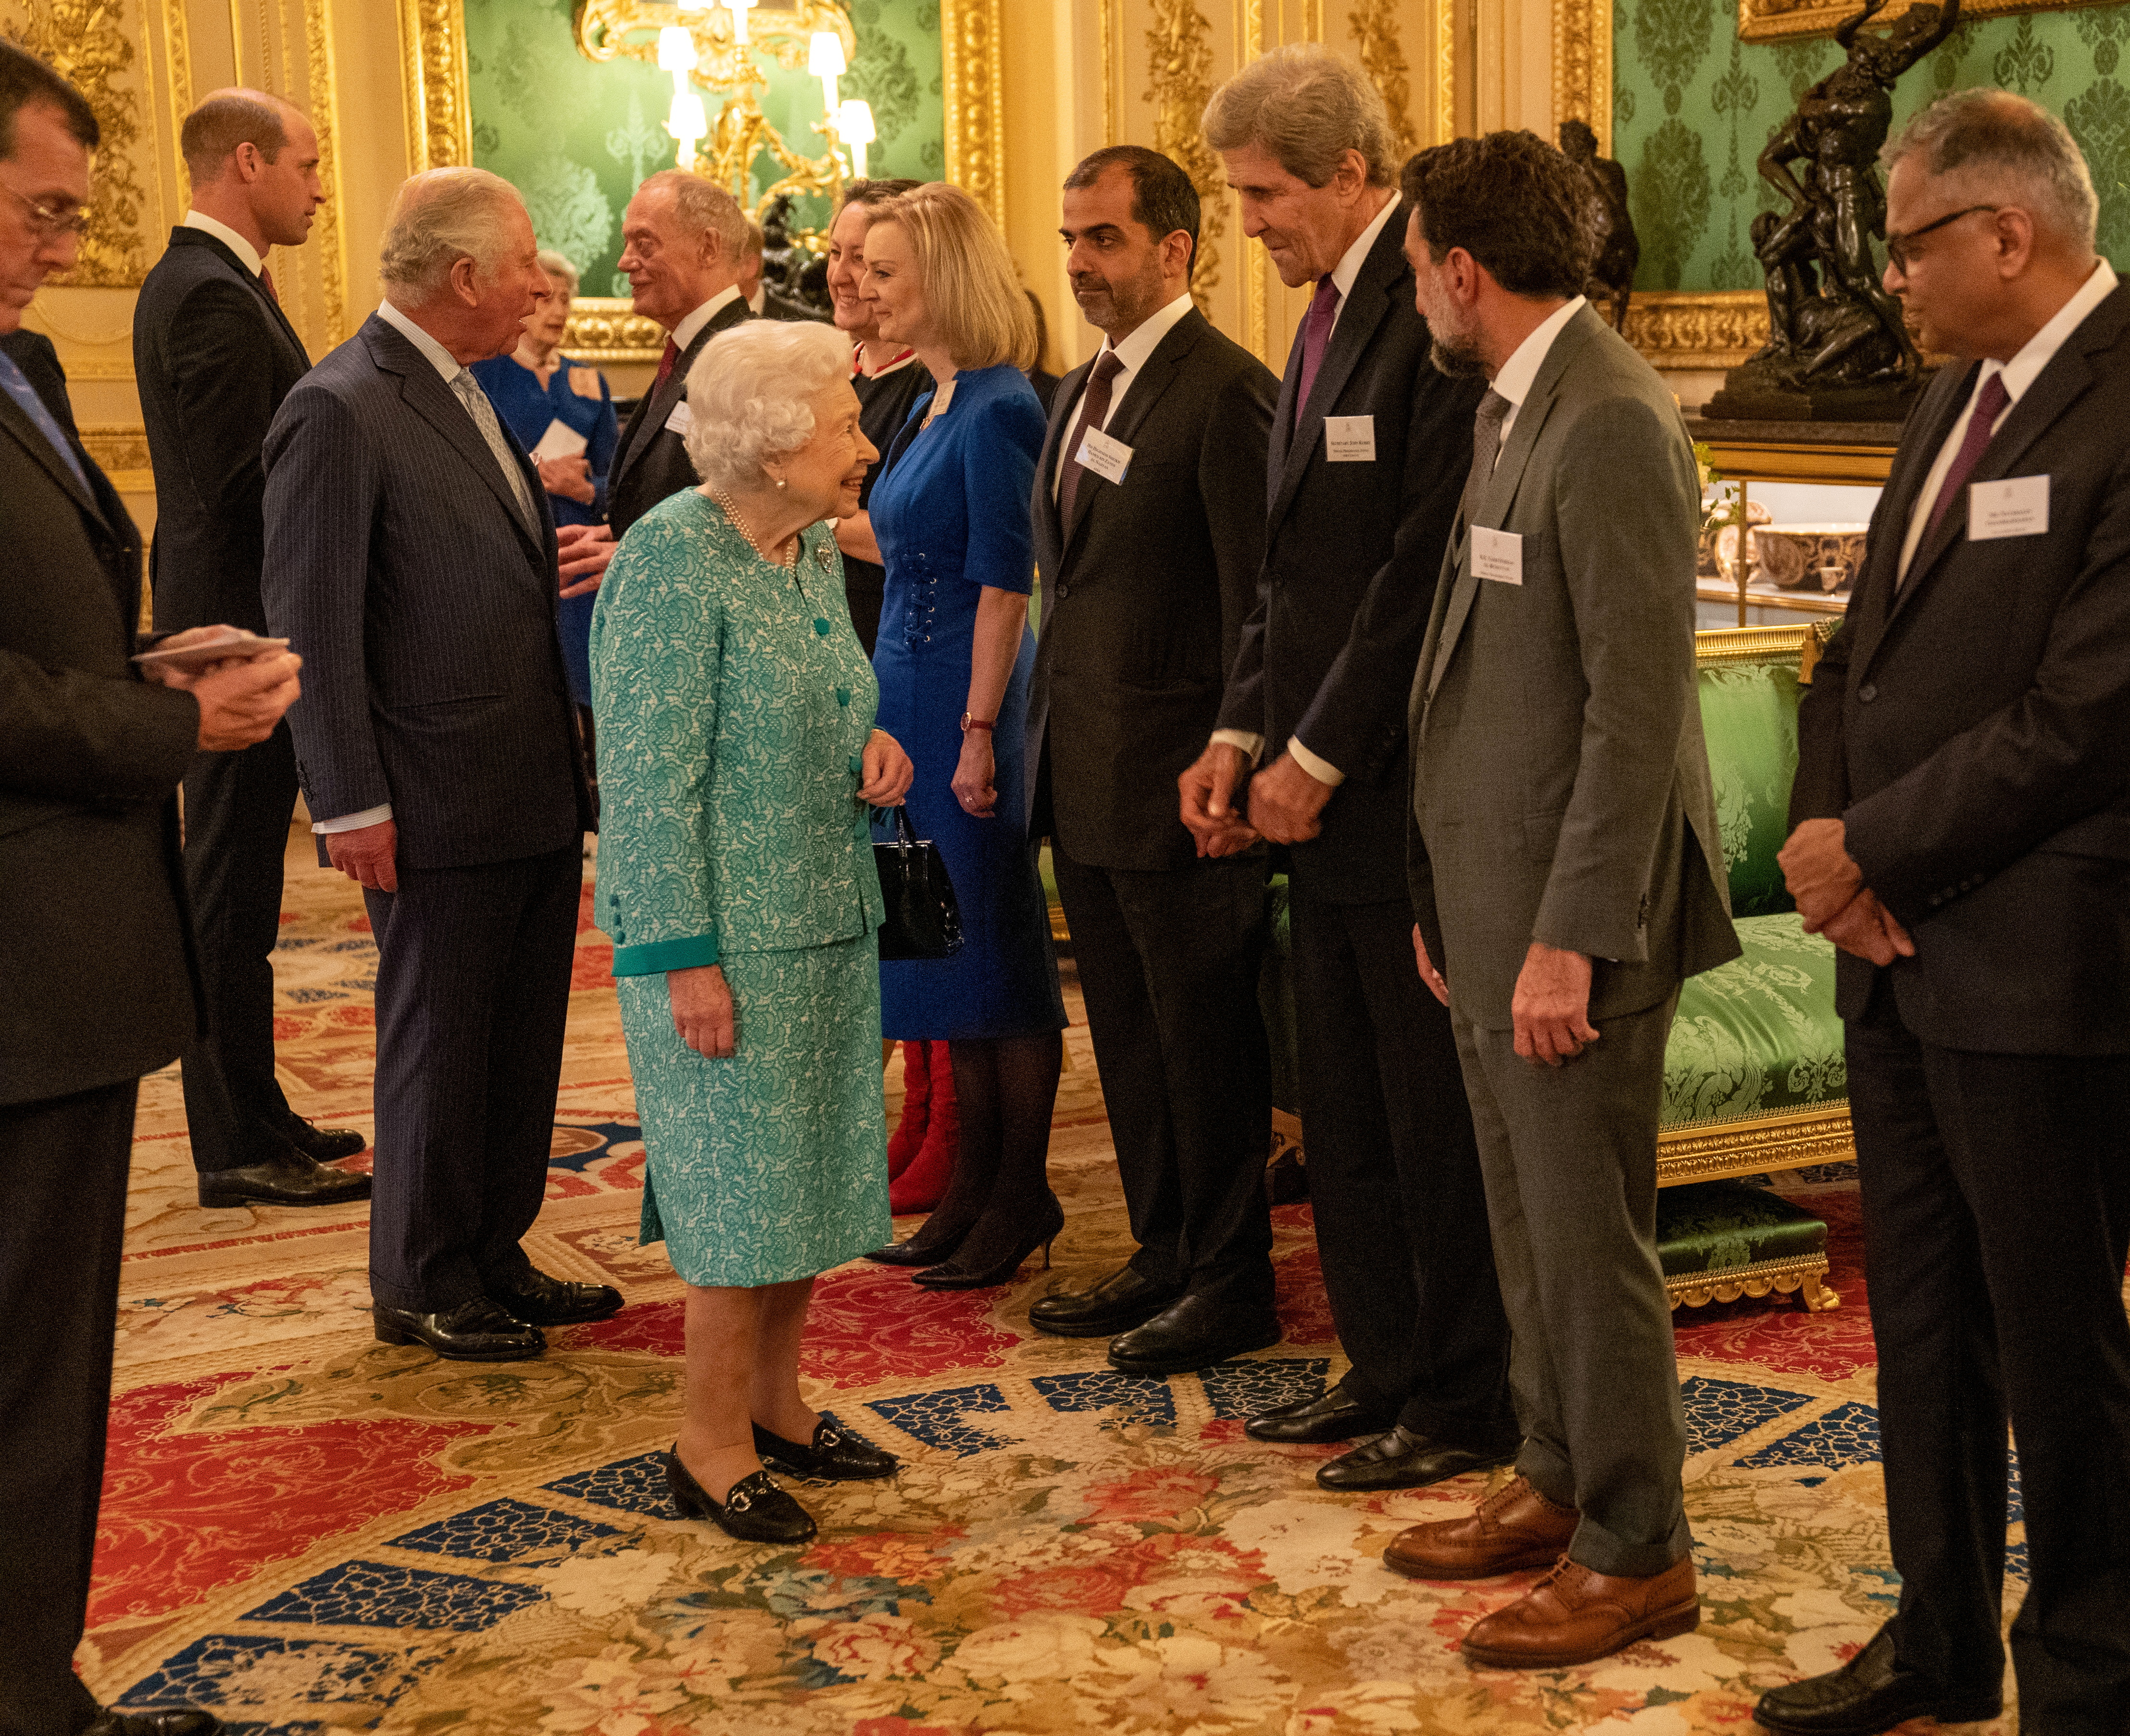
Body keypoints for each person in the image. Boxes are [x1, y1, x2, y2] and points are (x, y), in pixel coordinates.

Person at [1763, 89, 2130, 1736]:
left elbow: (2089, 713)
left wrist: (1880, 857)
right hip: (1899, 948)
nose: (1887, 276)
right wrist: (1828, 840)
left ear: (2008, 232)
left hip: (2042, 957)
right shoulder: (1951, 399)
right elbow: (1859, 653)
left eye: (1911, 245)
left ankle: (2089, 1672)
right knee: (1917, 1324)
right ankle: (1937, 1641)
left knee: (2058, 1345)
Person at [1382, 130, 1739, 1668]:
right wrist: (1447, 889)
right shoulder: (1512, 404)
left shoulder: (1606, 417)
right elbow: (1482, 674)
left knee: (1587, 1233)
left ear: (1464, 272)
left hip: (1567, 924)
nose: (1414, 302)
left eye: (1414, 275)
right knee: (1524, 1218)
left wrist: (1570, 935)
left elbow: (1637, 712)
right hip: (1490, 896)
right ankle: (1552, 1472)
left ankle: (1637, 1544)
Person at [1, 43, 302, 1736]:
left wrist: (133, 662)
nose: (63, 243)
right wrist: (161, 719)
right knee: (29, 1376)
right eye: (43, 208)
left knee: (46, 1373)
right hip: (22, 964)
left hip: (55, 957)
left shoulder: (17, 359)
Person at [1178, 43, 1515, 1493]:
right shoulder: (1317, 321)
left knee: (1423, 1113)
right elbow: (1288, 577)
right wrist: (1240, 727)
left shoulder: (1424, 311)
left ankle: (1459, 1398)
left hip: (1398, 790)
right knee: (1346, 1103)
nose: (1244, 221)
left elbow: (1410, 574)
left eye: (1262, 194)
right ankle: (1382, 1365)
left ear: (1350, 175)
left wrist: (1314, 751)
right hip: (1310, 786)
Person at [261, 167, 614, 1363]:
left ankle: (491, 1248)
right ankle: (418, 1273)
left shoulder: (458, 387)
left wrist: (541, 559)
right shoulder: (342, 403)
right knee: (439, 1038)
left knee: (515, 1041)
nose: (536, 283)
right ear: (466, 275)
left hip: (519, 782)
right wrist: (346, 796)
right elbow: (313, 621)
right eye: (523, 262)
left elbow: (449, 560)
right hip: (426, 796)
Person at [591, 319, 915, 1547]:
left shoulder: (809, 549)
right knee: (736, 1206)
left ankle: (777, 1408)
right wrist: (681, 960)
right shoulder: (670, 562)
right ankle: (707, 1438)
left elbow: (827, 690)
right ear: (771, 448)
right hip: (718, 940)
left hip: (824, 913)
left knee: (805, 1187)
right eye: (840, 426)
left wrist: (866, 748)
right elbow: (647, 780)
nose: (862, 446)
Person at [1023, 145, 1281, 1375]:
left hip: (1185, 785)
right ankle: (1161, 1249)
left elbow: (1257, 605)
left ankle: (1230, 1280)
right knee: (1124, 1035)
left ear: (1175, 248)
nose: (1078, 261)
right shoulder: (1080, 390)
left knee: (1202, 1043)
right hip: (1085, 774)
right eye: (1070, 237)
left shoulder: (1224, 390)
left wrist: (1235, 757)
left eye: (1104, 238)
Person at [131, 89, 371, 1211]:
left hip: (233, 624)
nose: (321, 187)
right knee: (227, 890)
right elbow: (240, 493)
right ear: (246, 161)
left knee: (244, 889)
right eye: (309, 164)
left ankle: (257, 1106)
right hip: (231, 632)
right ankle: (231, 1140)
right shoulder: (213, 298)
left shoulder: (214, 286)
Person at [858, 182, 1068, 1287]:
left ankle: (1018, 1188)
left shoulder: (998, 408)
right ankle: (973, 1190)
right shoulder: (929, 401)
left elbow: (1003, 583)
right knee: (932, 955)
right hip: (904, 698)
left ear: (943, 278)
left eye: (887, 271)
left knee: (990, 957)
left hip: (965, 705)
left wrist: (981, 731)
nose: (865, 286)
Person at [821, 176, 962, 1214]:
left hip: (907, 642)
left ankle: (941, 1122)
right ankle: (913, 1114)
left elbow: (910, 531)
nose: (844, 272)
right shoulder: (852, 371)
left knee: (921, 897)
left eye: (870, 259)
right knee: (886, 905)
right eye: (838, 254)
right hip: (867, 651)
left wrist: (811, 523)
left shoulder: (947, 390)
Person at [470, 248, 620, 732]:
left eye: (567, 300)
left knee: (587, 685)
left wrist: (586, 489)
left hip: (577, 553)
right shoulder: (482, 374)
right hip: (510, 548)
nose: (558, 311)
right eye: (547, 299)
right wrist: (532, 472)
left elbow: (615, 481)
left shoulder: (587, 380)